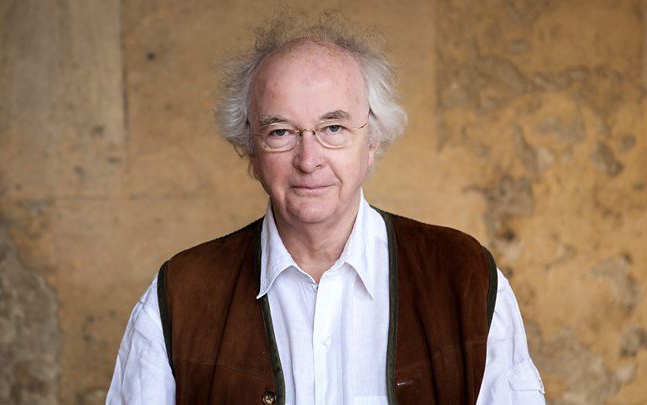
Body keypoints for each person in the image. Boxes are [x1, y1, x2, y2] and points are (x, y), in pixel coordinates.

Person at [107, 15, 545, 405]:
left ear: (372, 140)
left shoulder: (464, 277)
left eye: (332, 127)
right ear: (250, 150)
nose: (308, 158)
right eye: (280, 131)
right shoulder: (180, 295)